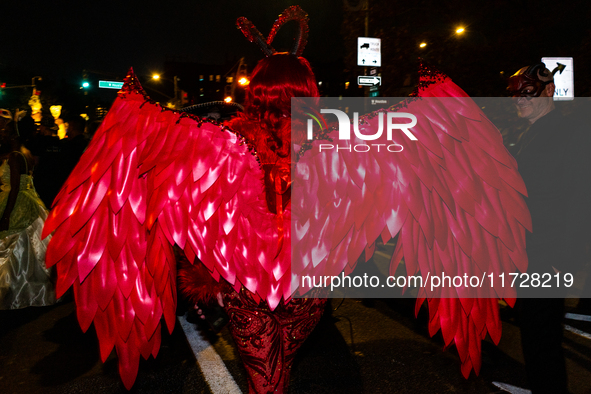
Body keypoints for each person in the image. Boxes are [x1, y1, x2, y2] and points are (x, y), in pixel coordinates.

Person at [507, 62, 591, 393]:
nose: (519, 100)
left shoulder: (570, 132)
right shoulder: (531, 133)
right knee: (533, 333)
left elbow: (580, 199)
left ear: (548, 91)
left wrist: (564, 261)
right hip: (529, 253)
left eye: (526, 92)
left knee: (542, 337)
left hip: (549, 255)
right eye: (514, 94)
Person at [0, 114, 55, 309]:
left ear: (14, 136)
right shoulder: (27, 152)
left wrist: (6, 214)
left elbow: (14, 188)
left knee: (14, 247)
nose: (3, 135)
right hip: (31, 199)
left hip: (17, 200)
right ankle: (28, 288)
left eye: (6, 133)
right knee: (28, 248)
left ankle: (15, 290)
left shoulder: (15, 156)